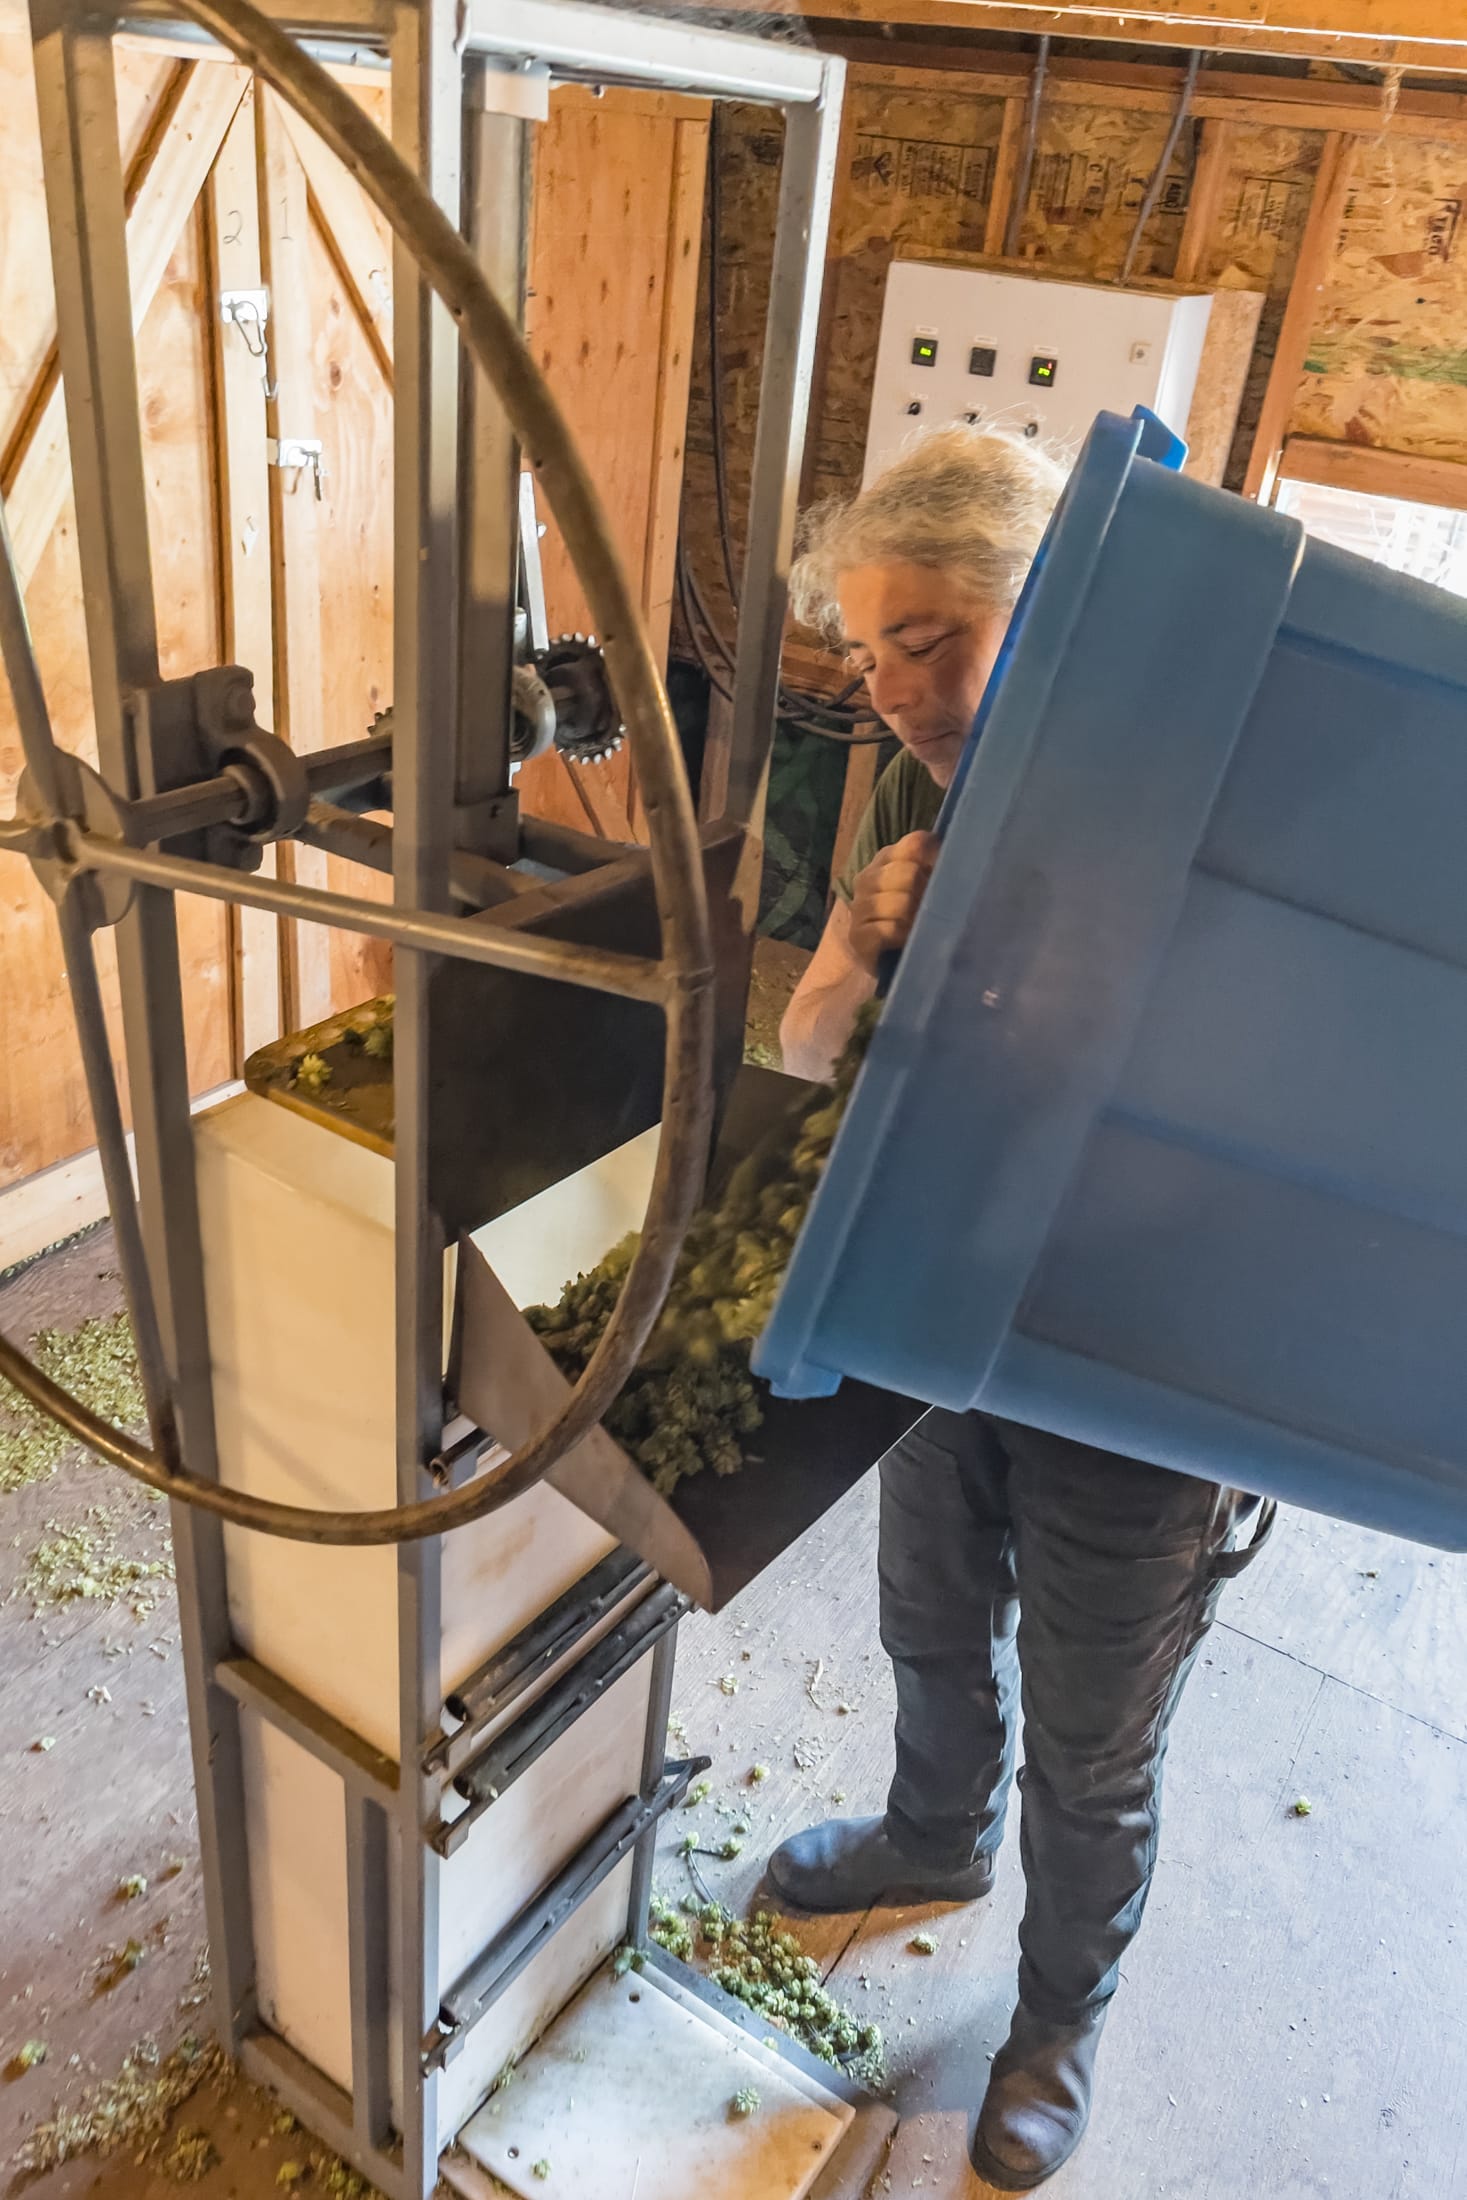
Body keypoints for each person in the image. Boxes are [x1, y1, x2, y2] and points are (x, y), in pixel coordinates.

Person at [770, 425, 1273, 2192]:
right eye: (869, 650)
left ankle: (1059, 2018)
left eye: (934, 640)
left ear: (1045, 608)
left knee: (1094, 1727)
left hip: (1142, 1363)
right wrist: (851, 949)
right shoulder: (916, 811)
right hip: (948, 1326)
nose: (894, 688)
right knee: (928, 1614)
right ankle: (930, 1832)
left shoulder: (1194, 799)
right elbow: (809, 1055)